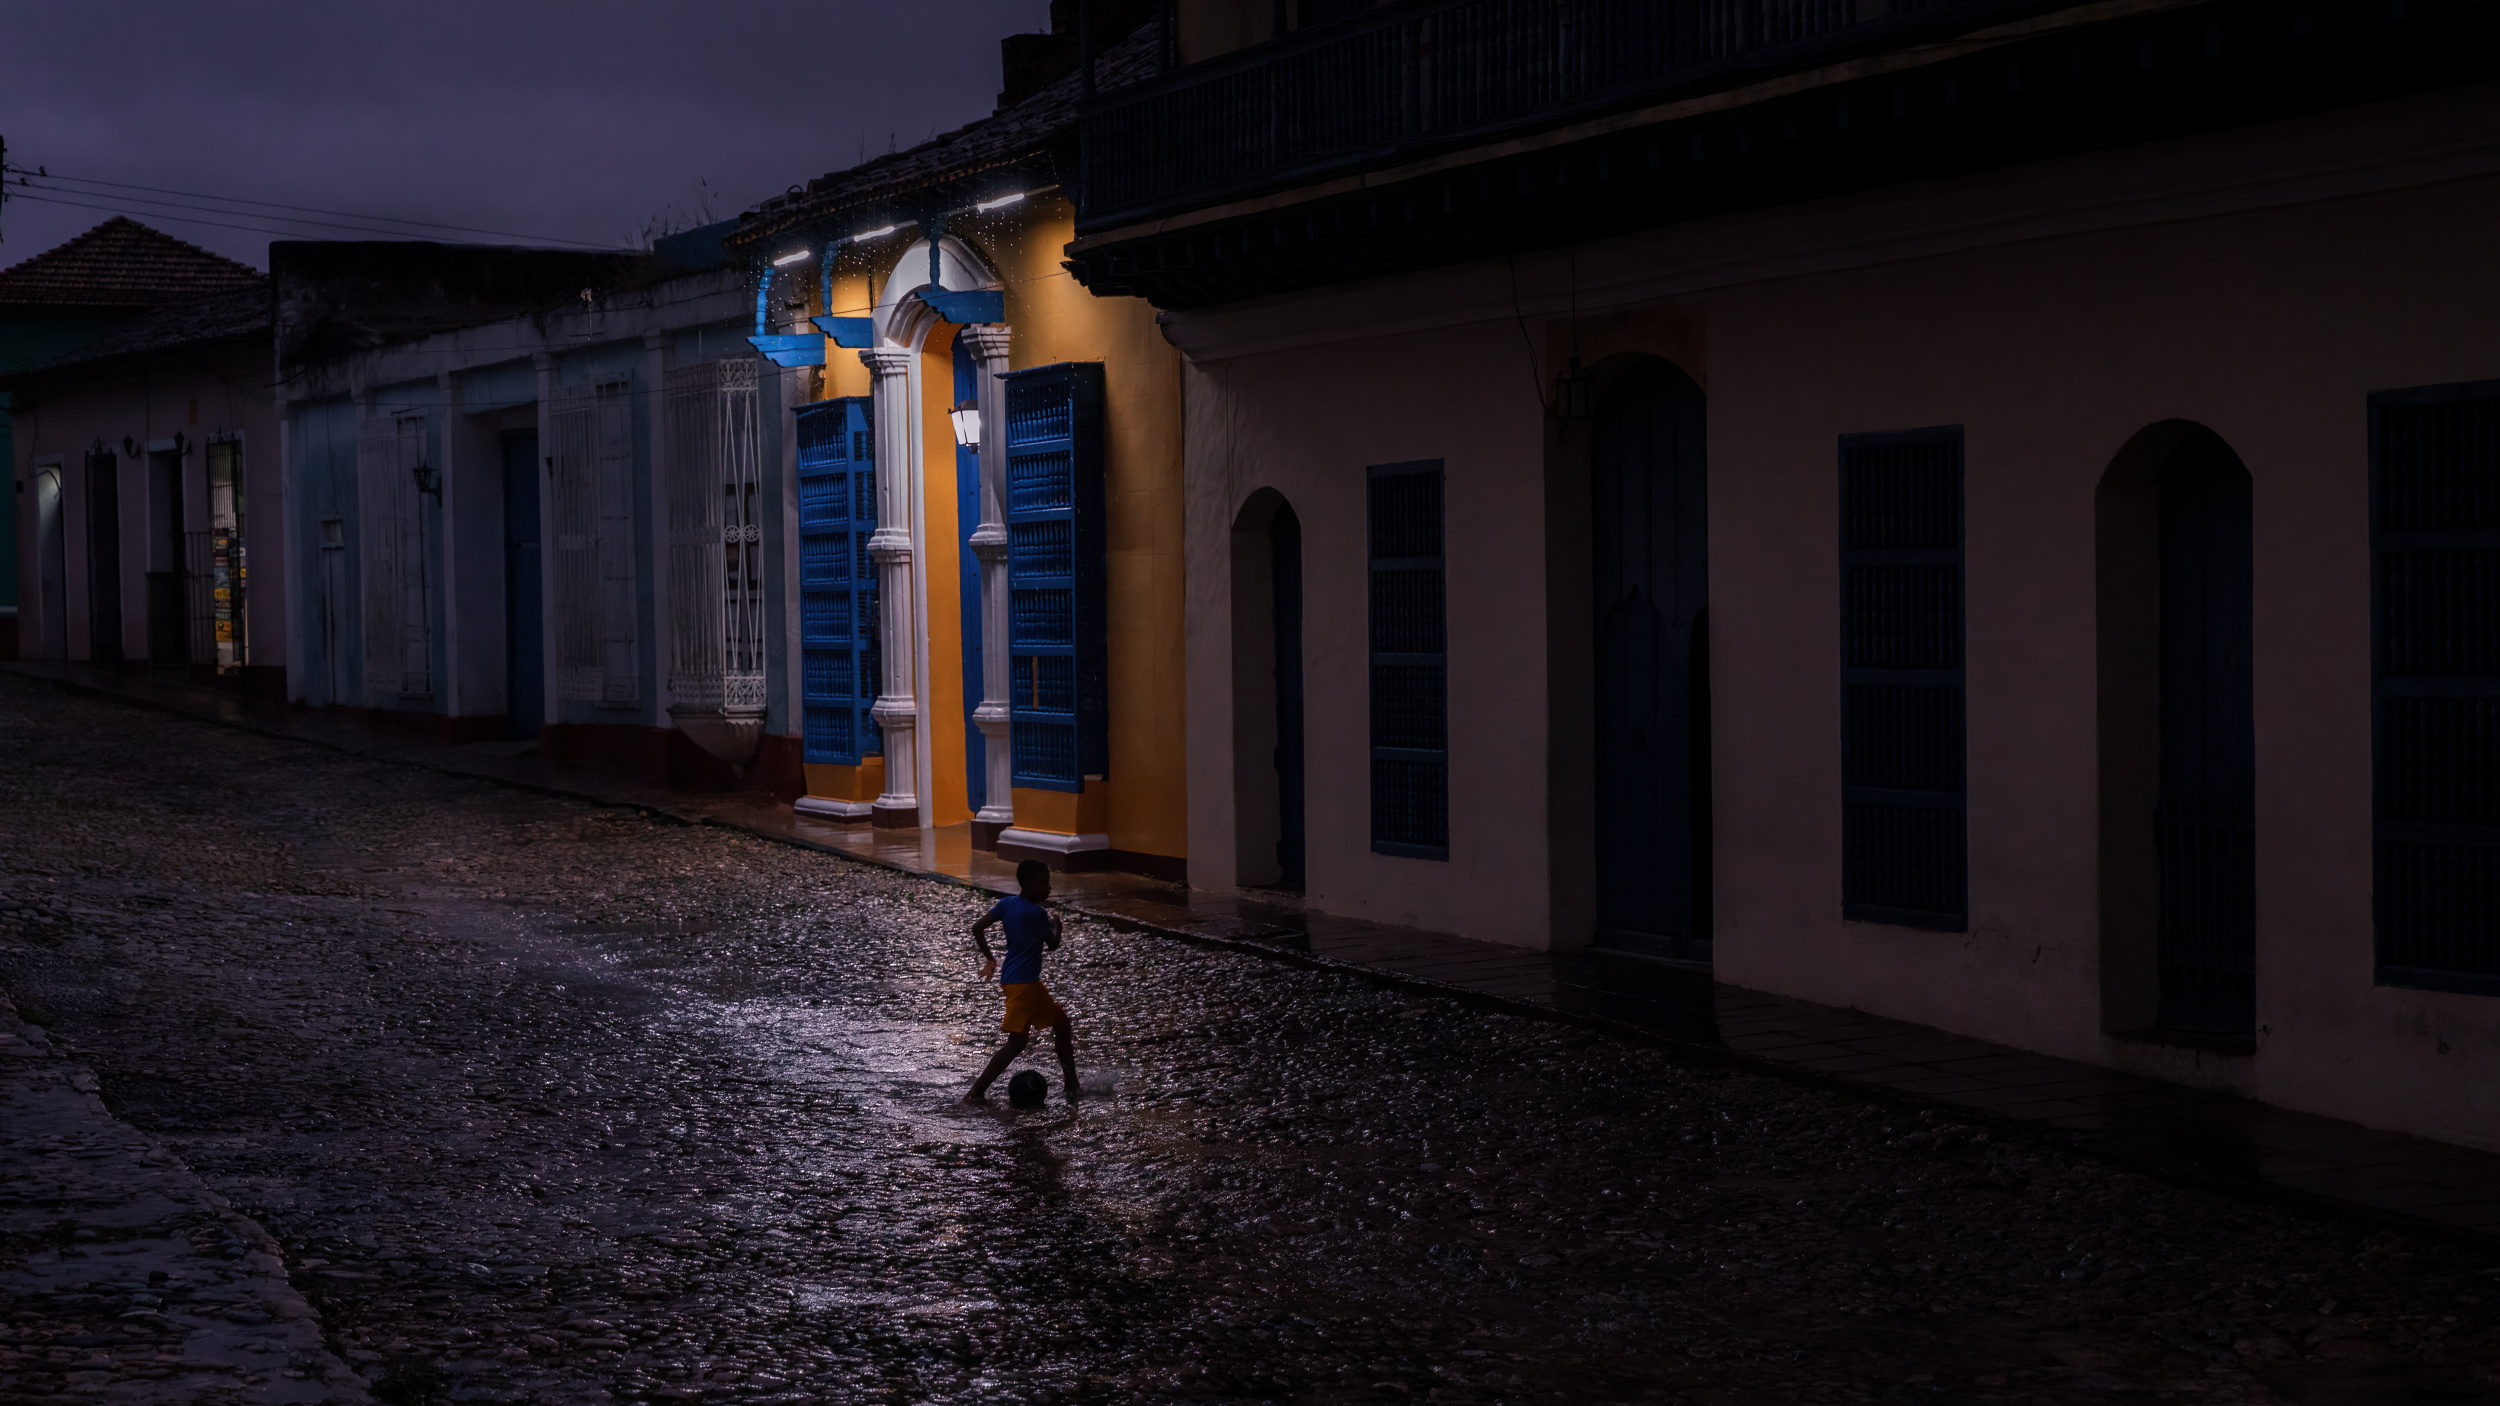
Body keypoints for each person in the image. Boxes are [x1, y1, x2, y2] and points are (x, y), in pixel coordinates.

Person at [962, 860, 1079, 1106]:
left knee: (1061, 1024)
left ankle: (1072, 1084)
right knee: (1016, 1043)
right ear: (1027, 884)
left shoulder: (1006, 904)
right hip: (1024, 985)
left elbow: (977, 928)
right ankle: (975, 1092)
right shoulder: (1037, 914)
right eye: (1044, 883)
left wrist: (990, 958)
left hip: (1019, 981)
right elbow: (1053, 944)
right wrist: (1057, 926)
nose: (1049, 888)